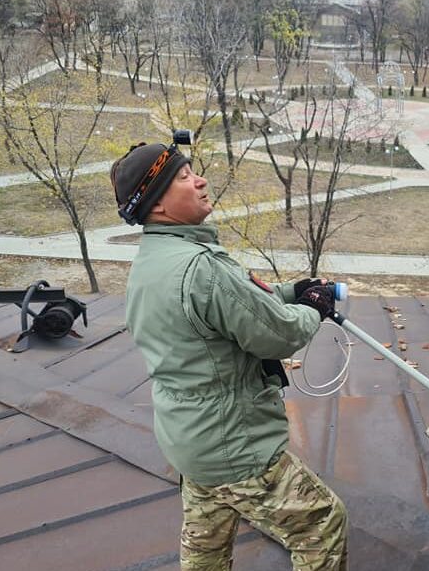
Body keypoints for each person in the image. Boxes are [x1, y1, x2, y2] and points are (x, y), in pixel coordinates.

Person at [110, 141, 348, 569]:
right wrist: (313, 307)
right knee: (322, 523)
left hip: (189, 440)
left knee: (206, 546)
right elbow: (280, 332)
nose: (199, 180)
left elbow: (238, 304)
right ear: (157, 204)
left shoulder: (154, 260)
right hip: (232, 445)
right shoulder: (201, 267)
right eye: (183, 177)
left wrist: (294, 291)